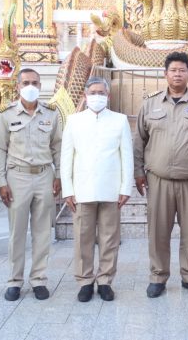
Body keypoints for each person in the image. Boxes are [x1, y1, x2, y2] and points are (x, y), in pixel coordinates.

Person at [133, 51, 188, 298]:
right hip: (158, 180)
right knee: (158, 231)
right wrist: (138, 172)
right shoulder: (150, 103)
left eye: (182, 70)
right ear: (165, 73)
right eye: (173, 70)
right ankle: (158, 277)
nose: (177, 74)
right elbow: (139, 141)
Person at [61, 77, 133, 302]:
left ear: (108, 96)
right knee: (83, 237)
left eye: (101, 92)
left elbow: (127, 156)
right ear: (85, 95)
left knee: (110, 238)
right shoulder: (74, 121)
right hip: (82, 190)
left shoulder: (120, 121)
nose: (97, 96)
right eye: (93, 92)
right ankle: (84, 281)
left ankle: (105, 280)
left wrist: (126, 187)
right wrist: (67, 189)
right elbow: (66, 157)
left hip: (111, 189)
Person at [0, 68, 62, 301]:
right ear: (17, 87)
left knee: (43, 232)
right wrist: (1, 181)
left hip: (44, 175)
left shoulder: (51, 114)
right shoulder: (6, 114)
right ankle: (14, 280)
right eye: (26, 82)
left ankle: (39, 279)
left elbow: (57, 147)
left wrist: (59, 175)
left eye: (34, 82)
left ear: (41, 85)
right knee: (17, 233)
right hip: (17, 177)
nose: (30, 86)